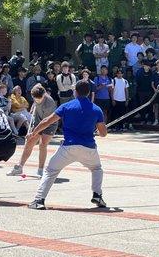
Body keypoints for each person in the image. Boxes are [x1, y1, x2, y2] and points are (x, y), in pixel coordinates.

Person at [27, 81, 107, 210]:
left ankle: (39, 200)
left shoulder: (67, 106)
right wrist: (100, 129)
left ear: (75, 92)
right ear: (88, 93)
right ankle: (97, 195)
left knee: (51, 171)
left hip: (68, 147)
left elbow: (47, 121)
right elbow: (103, 134)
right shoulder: (96, 109)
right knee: (97, 169)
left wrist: (33, 132)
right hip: (88, 148)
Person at [8, 84, 57, 178]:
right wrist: (34, 104)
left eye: (40, 99)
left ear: (44, 94)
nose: (38, 100)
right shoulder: (37, 92)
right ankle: (20, 167)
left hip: (50, 123)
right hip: (39, 121)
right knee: (29, 142)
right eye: (35, 99)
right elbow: (38, 85)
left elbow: (45, 122)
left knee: (43, 144)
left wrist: (33, 132)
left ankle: (40, 170)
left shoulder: (49, 103)